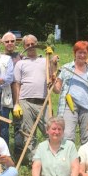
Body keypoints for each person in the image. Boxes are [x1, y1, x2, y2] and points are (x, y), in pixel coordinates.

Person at [13, 34, 58, 163]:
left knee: (50, 130)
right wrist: (17, 103)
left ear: (37, 44)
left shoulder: (45, 60)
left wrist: (53, 61)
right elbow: (17, 84)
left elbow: (52, 75)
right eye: (28, 45)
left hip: (43, 101)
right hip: (25, 101)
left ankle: (52, 157)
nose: (31, 47)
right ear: (24, 47)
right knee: (28, 132)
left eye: (33, 44)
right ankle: (34, 160)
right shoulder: (20, 63)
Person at [54, 41, 88, 145]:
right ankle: (69, 160)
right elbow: (57, 90)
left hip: (87, 106)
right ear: (75, 53)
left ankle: (84, 160)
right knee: (67, 135)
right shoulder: (66, 68)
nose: (82, 55)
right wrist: (53, 83)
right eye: (79, 52)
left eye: (85, 53)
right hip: (70, 105)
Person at [1, 31, 23, 156]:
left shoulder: (20, 57)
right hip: (4, 95)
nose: (10, 43)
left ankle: (19, 153)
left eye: (12, 41)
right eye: (7, 41)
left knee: (19, 125)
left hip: (18, 96)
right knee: (3, 125)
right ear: (3, 43)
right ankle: (5, 154)